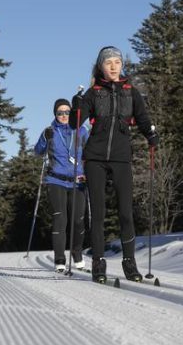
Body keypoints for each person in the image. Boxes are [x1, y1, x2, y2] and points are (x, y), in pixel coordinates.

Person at [70, 46, 158, 283]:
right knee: (98, 214)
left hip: (121, 157)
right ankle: (98, 263)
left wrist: (150, 134)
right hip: (95, 158)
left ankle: (130, 263)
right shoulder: (93, 93)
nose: (112, 66)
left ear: (121, 65)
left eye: (116, 62)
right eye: (108, 62)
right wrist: (76, 105)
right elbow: (74, 124)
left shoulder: (131, 92)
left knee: (126, 213)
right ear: (101, 66)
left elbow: (143, 119)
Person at [34, 98, 90, 272]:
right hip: (56, 180)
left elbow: (91, 151)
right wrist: (44, 139)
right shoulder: (49, 131)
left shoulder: (81, 130)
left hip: (78, 180)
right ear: (55, 114)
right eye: (60, 112)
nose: (64, 115)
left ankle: (77, 252)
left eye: (67, 112)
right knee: (60, 218)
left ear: (71, 113)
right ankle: (59, 259)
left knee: (78, 220)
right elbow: (38, 151)